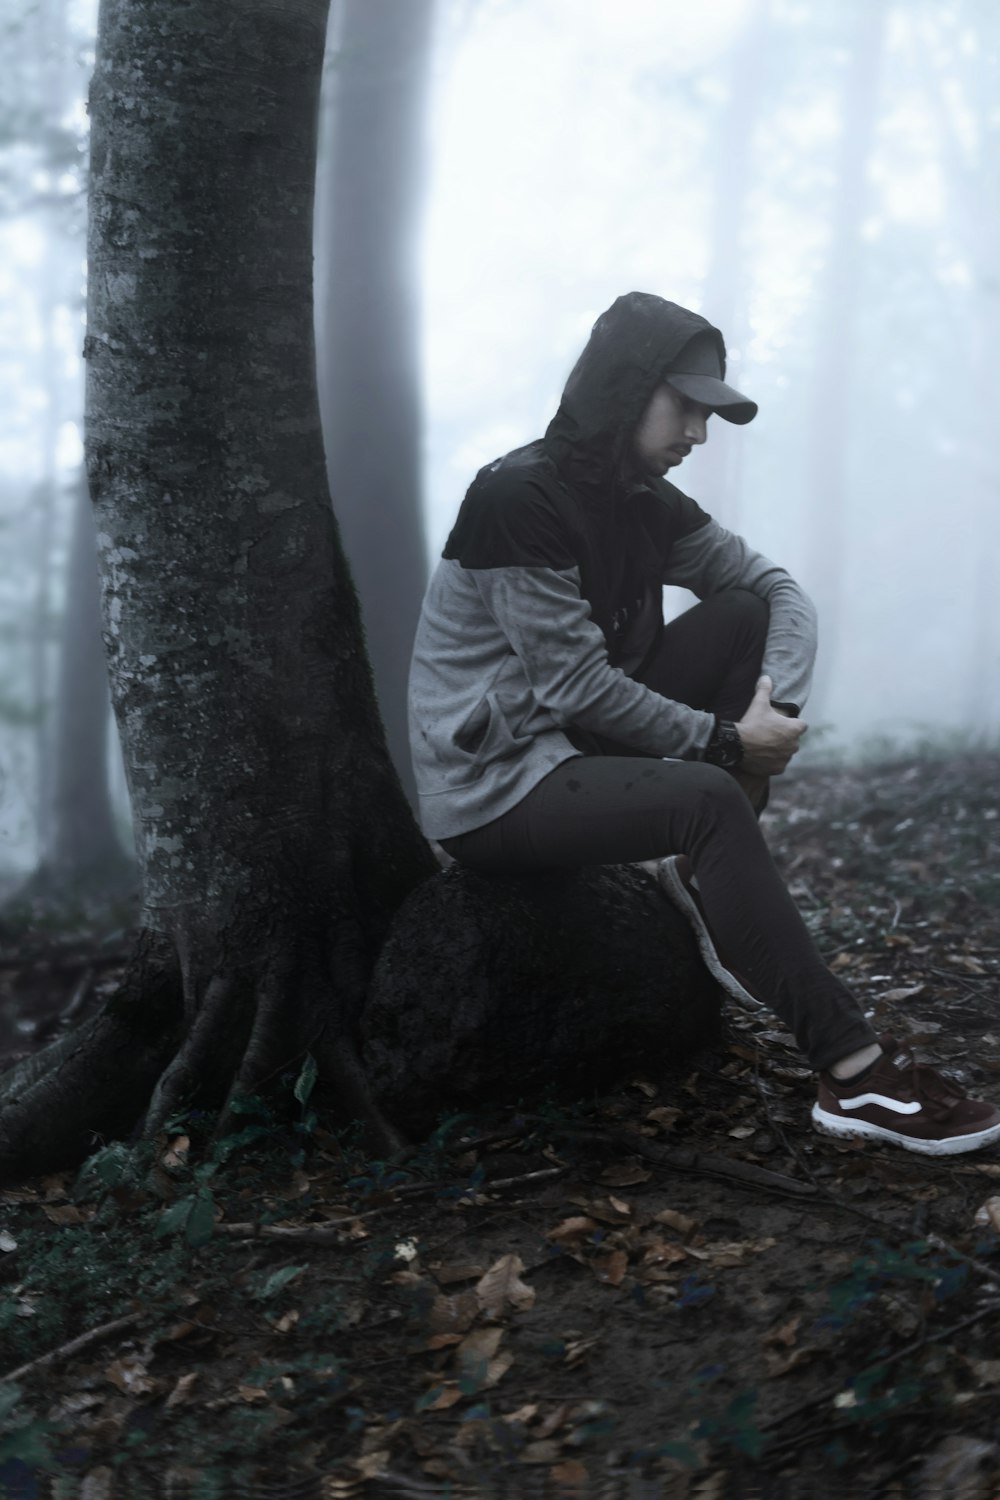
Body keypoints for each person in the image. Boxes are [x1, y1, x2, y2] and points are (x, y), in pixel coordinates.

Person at [408, 291, 1000, 1157]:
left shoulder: (647, 502)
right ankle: (856, 1074)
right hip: (498, 787)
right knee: (711, 797)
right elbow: (575, 687)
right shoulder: (517, 498)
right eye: (684, 405)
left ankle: (696, 868)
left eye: (707, 412)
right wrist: (727, 749)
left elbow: (778, 590)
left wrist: (773, 714)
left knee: (740, 616)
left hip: (585, 752)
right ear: (625, 388)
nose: (699, 432)